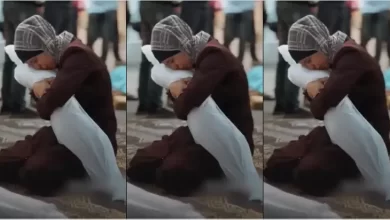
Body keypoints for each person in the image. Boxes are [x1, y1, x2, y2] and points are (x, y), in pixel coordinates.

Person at [127, 15, 255, 196]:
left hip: (226, 140)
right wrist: (176, 88)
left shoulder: (214, 57)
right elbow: (185, 107)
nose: (173, 68)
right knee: (139, 163)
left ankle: (219, 173)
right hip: (197, 132)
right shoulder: (198, 54)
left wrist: (175, 88)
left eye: (172, 60)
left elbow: (183, 108)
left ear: (183, 46)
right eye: (167, 65)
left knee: (172, 175)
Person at [264, 15, 390, 196]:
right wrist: (313, 88)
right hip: (336, 133)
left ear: (320, 44)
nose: (310, 67)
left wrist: (311, 87)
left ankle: (357, 169)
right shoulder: (332, 55)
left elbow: (320, 109)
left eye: (308, 60)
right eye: (304, 65)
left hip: (363, 140)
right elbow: (321, 107)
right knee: (276, 164)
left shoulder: (351, 57)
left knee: (309, 175)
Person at [0, 15, 118, 196]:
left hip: (89, 143)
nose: (37, 67)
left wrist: (38, 88)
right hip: (61, 133)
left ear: (46, 46)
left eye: (35, 61)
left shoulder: (78, 57)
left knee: (35, 174)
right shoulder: (63, 52)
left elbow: (47, 107)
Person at [273, 1, 317, 117]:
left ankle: (281, 104)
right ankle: (290, 105)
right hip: (297, 5)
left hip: (283, 5)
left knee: (285, 53)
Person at [136, 1, 179, 117]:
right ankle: (154, 104)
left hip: (147, 5)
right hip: (160, 5)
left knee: (148, 52)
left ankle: (144, 104)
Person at [1, 1, 43, 117]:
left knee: (11, 54)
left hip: (9, 5)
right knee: (22, 54)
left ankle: (8, 104)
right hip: (24, 6)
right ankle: (17, 105)